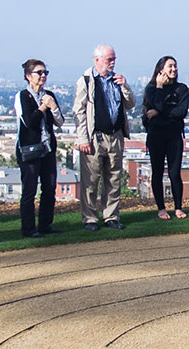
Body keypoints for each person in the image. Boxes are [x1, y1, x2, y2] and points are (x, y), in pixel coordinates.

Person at [73, 44, 134, 231]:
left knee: (113, 178)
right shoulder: (86, 81)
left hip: (115, 135)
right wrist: (83, 138)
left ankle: (111, 216)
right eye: (109, 59)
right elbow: (79, 111)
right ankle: (90, 218)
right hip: (95, 137)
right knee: (91, 180)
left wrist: (125, 86)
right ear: (97, 59)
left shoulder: (117, 80)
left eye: (114, 59)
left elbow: (130, 103)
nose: (112, 63)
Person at [16, 59, 64, 238]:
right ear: (28, 76)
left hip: (47, 148)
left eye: (45, 72)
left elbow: (60, 122)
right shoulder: (23, 96)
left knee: (49, 187)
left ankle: (45, 224)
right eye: (39, 72)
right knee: (29, 189)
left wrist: (52, 107)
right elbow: (29, 122)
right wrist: (44, 107)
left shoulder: (49, 94)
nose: (43, 76)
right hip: (29, 149)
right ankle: (28, 228)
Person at [142, 56, 189, 220]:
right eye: (170, 66)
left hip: (174, 135)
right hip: (156, 136)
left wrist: (159, 112)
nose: (174, 69)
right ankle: (161, 208)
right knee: (157, 172)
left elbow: (181, 112)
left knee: (174, 172)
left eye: (175, 66)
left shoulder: (181, 89)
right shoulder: (151, 88)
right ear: (160, 69)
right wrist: (160, 87)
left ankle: (178, 207)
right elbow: (157, 106)